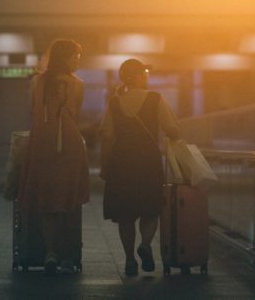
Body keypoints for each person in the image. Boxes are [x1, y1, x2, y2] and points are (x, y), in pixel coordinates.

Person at [100, 58, 180, 276]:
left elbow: (106, 135)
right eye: (144, 72)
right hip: (148, 160)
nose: (147, 75)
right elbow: (171, 129)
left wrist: (104, 165)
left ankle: (128, 260)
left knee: (125, 214)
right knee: (150, 208)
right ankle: (145, 244)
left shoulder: (114, 103)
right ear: (137, 76)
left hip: (121, 161)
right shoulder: (155, 98)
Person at [18, 39, 89, 276]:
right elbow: (75, 115)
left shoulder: (37, 82)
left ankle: (50, 252)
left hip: (42, 141)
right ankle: (67, 255)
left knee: (47, 199)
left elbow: (32, 112)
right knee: (69, 199)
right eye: (75, 55)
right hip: (69, 142)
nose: (78, 59)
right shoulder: (78, 84)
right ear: (64, 57)